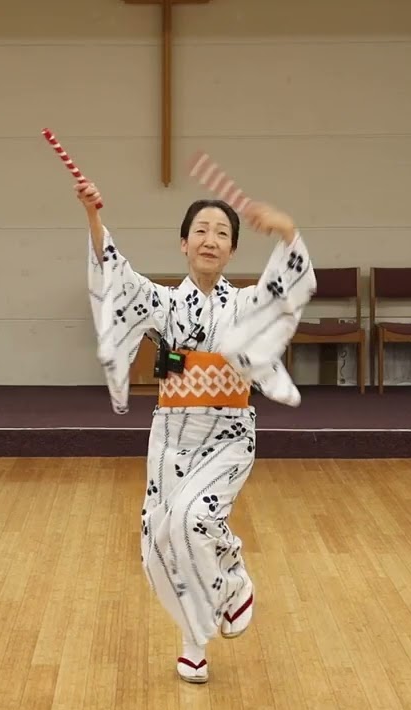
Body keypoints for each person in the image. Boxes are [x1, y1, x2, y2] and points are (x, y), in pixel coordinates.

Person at [79, 179, 316, 684]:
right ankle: (193, 643)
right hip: (170, 436)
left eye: (222, 232)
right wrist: (93, 216)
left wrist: (288, 232)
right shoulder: (162, 304)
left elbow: (288, 292)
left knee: (190, 519)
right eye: (201, 231)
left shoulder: (247, 304)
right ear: (183, 243)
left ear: (231, 249)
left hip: (228, 434)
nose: (211, 239)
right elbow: (115, 276)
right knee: (162, 541)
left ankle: (232, 576)